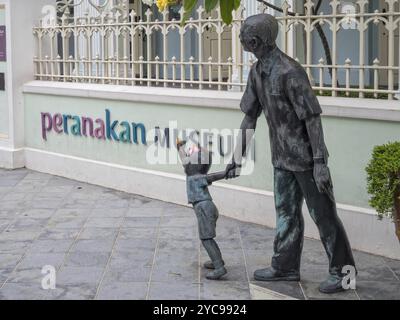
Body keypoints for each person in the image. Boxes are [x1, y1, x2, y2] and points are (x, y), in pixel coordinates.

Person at [225, 13, 356, 293]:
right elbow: (250, 117)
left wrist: (320, 162)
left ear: (255, 40)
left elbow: (312, 118)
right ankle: (285, 266)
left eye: (243, 35)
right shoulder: (257, 72)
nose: (240, 40)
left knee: (324, 216)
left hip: (307, 160)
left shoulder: (290, 71)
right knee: (286, 213)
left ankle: (344, 274)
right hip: (282, 159)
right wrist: (237, 157)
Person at [177, 138, 227, 280]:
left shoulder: (196, 177)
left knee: (206, 238)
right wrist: (179, 147)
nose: (188, 153)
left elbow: (212, 177)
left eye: (191, 152)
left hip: (204, 209)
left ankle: (219, 267)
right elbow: (184, 160)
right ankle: (217, 260)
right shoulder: (191, 172)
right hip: (206, 208)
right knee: (207, 238)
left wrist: (226, 173)